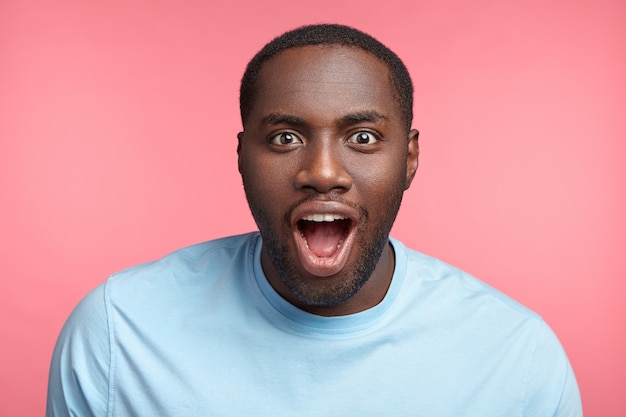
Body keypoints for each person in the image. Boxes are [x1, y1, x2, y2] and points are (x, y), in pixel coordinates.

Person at [47, 24, 582, 416]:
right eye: (285, 138)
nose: (322, 173)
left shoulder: (516, 357)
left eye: (363, 138)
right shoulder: (120, 334)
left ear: (410, 159)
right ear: (241, 157)